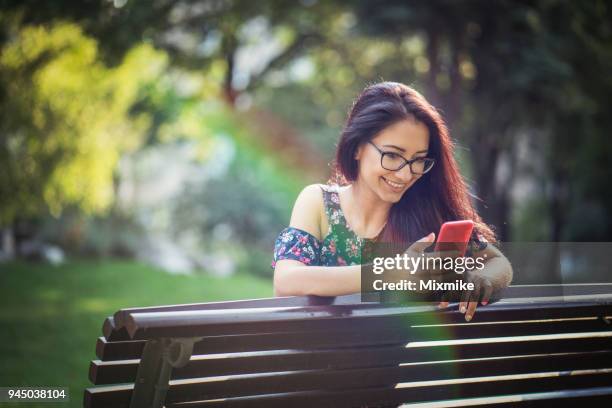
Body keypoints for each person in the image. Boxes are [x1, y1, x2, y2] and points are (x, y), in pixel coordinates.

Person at [271, 81, 513, 321]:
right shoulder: (318, 202)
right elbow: (286, 281)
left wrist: (482, 281)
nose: (405, 174)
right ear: (357, 147)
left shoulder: (428, 214)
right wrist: (387, 273)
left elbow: (498, 263)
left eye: (418, 160)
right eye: (393, 155)